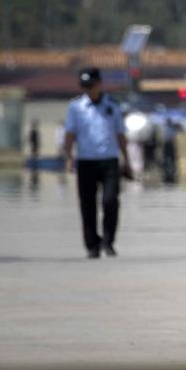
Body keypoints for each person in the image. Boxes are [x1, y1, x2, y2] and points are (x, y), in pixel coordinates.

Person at [62, 67, 130, 259]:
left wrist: (127, 159)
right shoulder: (75, 107)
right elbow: (69, 134)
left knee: (110, 201)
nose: (87, 90)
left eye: (90, 86)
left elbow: (120, 134)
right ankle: (92, 245)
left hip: (109, 161)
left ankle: (108, 241)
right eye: (84, 86)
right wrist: (68, 158)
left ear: (99, 84)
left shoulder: (112, 105)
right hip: (85, 161)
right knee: (87, 205)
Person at [160, 118, 178, 184]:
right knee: (167, 160)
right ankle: (167, 174)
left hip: (170, 145)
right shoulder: (165, 129)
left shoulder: (171, 129)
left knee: (171, 160)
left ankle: (171, 174)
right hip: (167, 145)